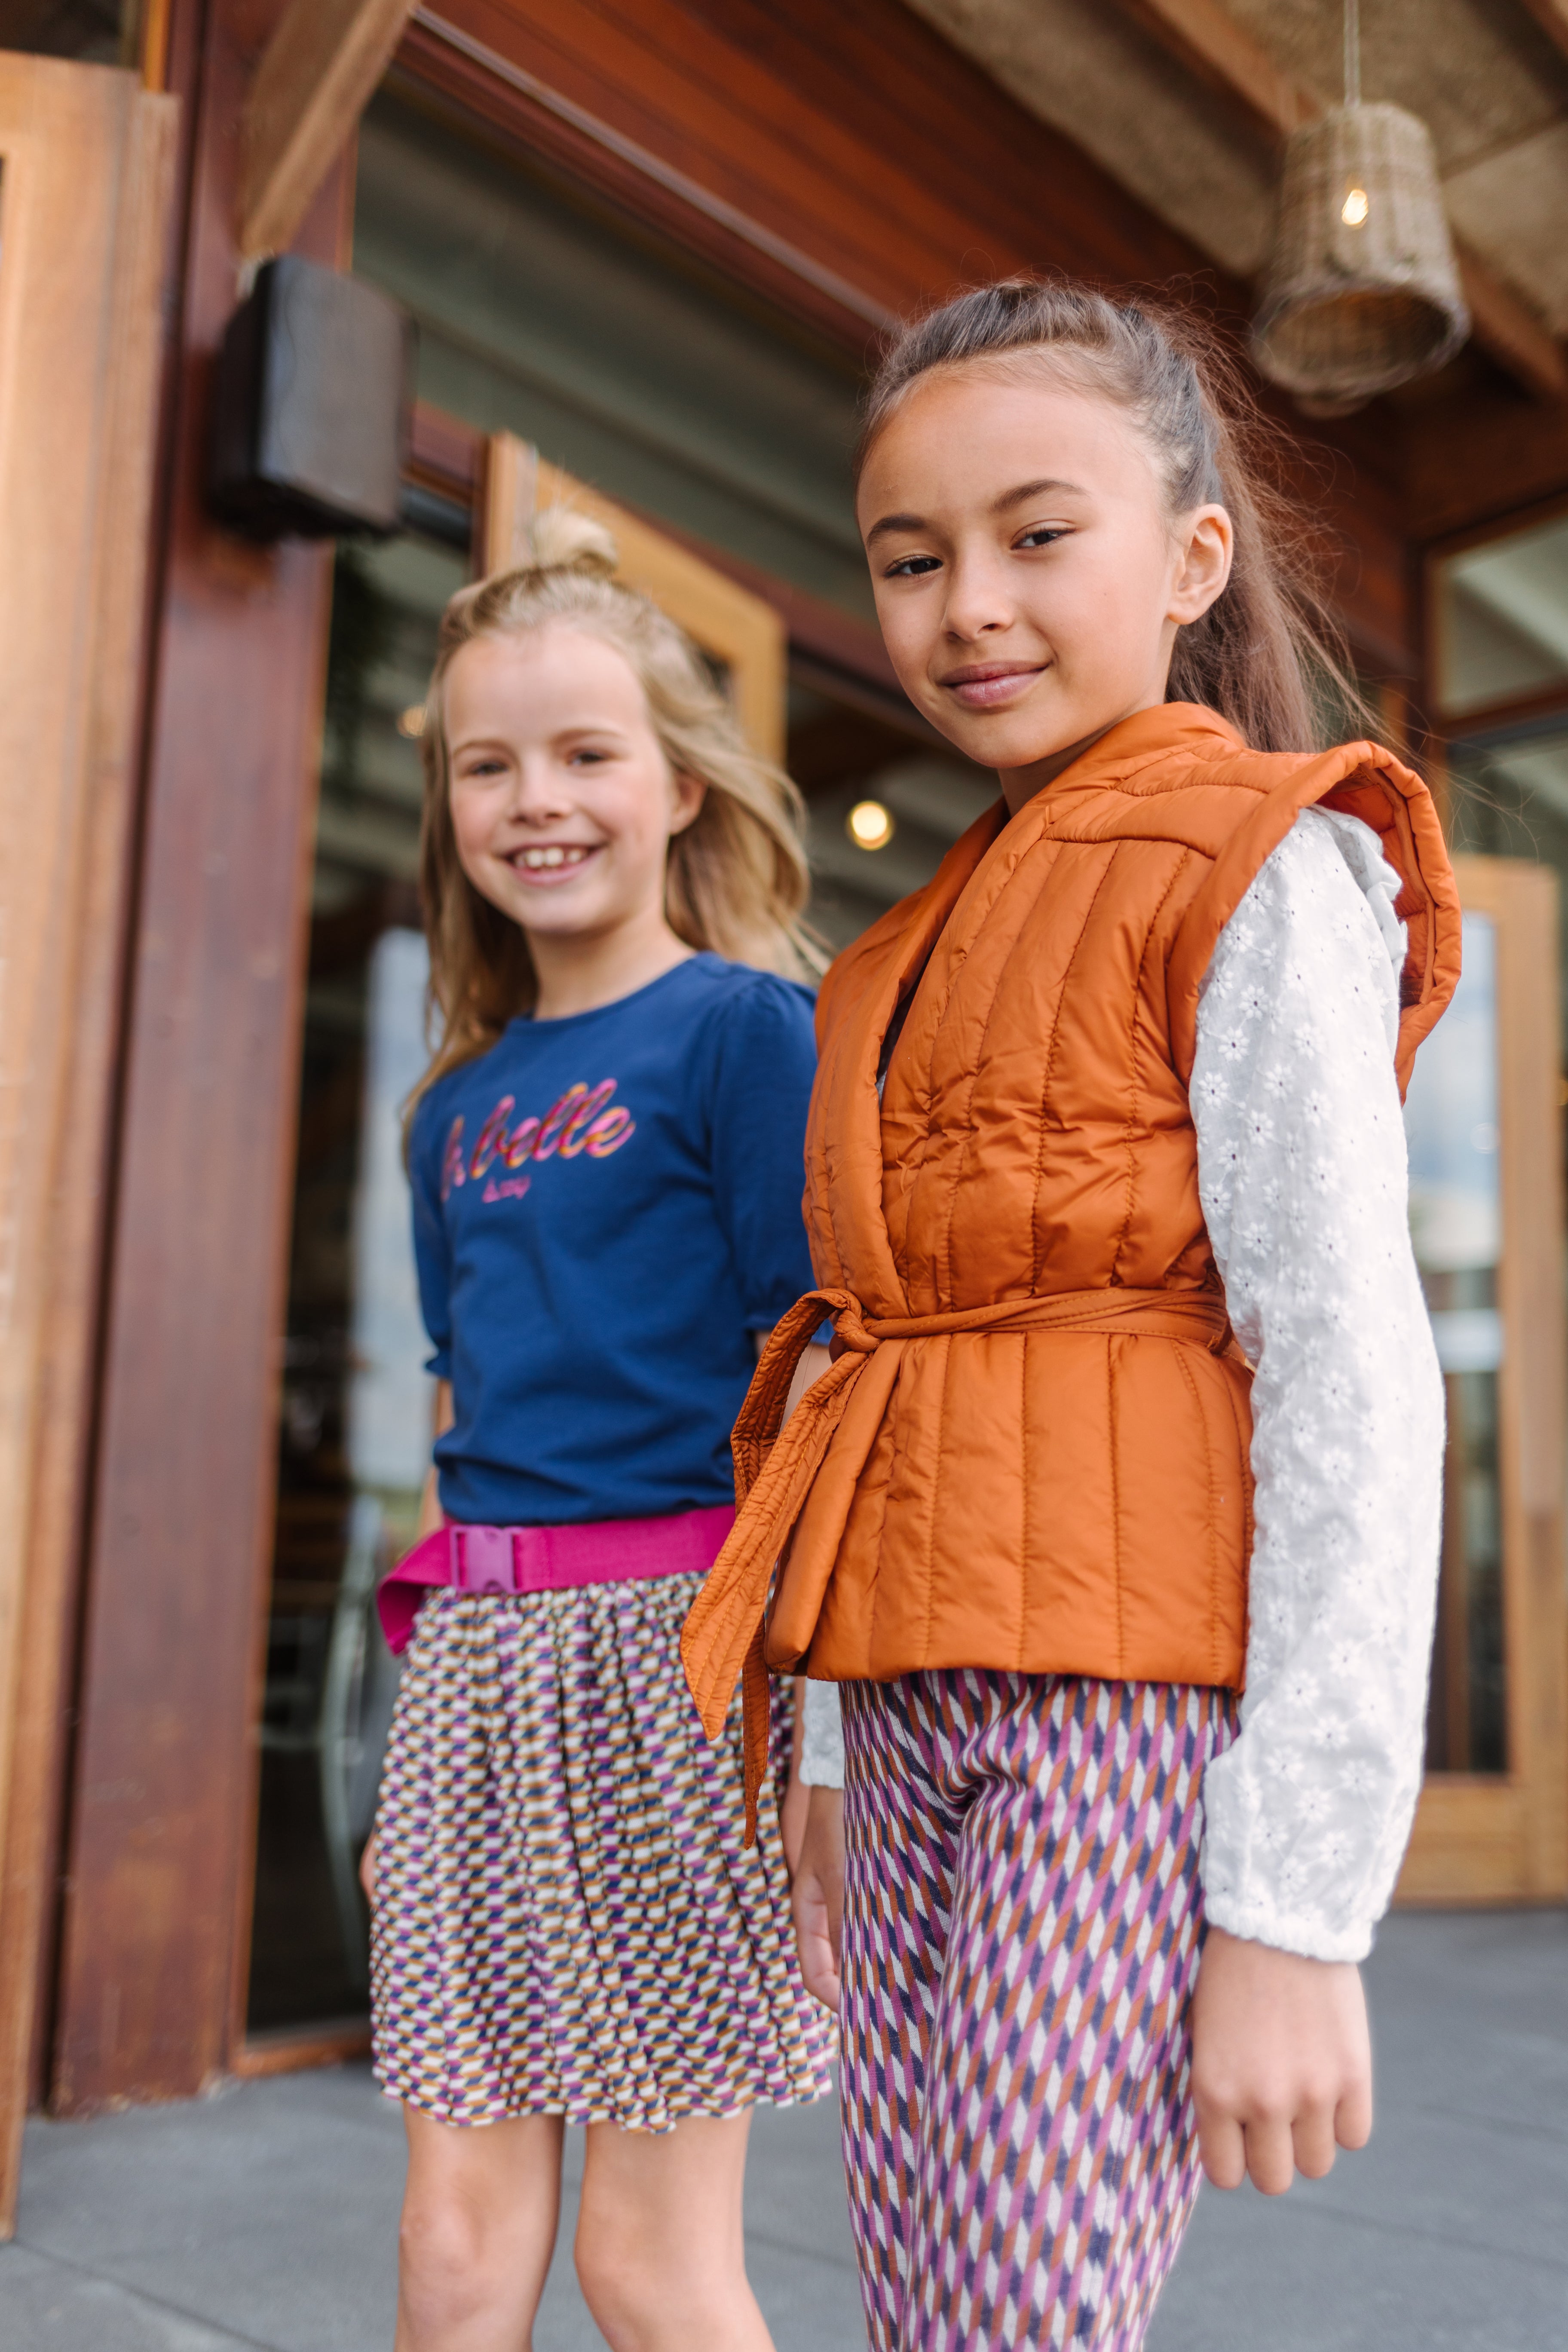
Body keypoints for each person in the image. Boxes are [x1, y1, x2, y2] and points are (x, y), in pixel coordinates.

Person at [682, 278, 1460, 2352]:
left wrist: (1296, 1905)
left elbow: (1352, 1377)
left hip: (1109, 1707)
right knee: (920, 2298)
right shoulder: (898, 953)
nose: (969, 605)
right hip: (912, 1696)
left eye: (1040, 533)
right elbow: (878, 1360)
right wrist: (838, 1747)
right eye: (912, 557)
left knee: (1023, 2310)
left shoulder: (1261, 861)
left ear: (1195, 557)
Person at [361, 507, 833, 2352]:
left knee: (647, 2267)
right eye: (492, 765)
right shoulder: (446, 1112)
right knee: (451, 2254)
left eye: (585, 753)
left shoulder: (743, 1035)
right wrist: (422, 1756)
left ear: (682, 789)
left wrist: (821, 1758)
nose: (536, 800)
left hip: (682, 1669)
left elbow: (816, 1394)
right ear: (454, 811)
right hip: (476, 1667)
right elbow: (459, 1417)